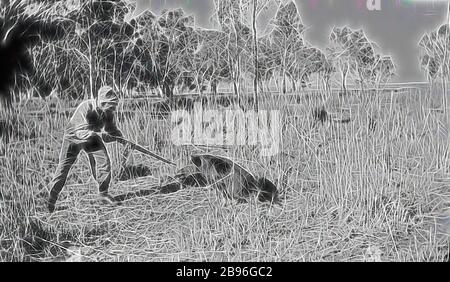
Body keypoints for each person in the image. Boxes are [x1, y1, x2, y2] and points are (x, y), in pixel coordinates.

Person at [47, 86, 125, 213]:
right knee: (63, 168)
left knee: (104, 162)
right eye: (111, 106)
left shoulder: (108, 112)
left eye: (114, 107)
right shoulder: (86, 107)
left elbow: (112, 131)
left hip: (92, 137)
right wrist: (101, 135)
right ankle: (51, 200)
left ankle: (103, 193)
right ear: (102, 103)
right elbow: (80, 132)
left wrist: (121, 138)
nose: (113, 109)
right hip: (73, 137)